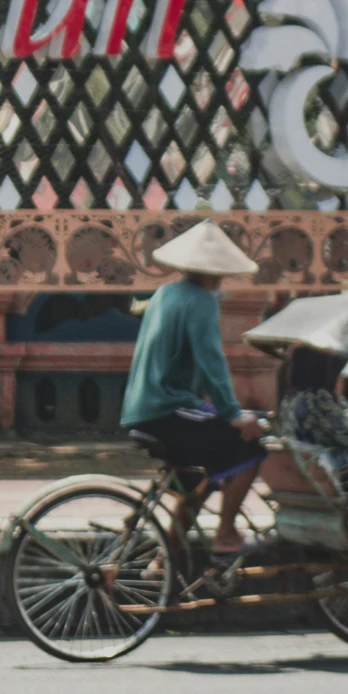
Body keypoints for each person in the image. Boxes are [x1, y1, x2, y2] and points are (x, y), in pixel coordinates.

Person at [120, 222, 267, 558]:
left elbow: (189, 363)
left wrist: (216, 411)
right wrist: (232, 414)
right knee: (250, 450)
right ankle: (226, 535)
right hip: (167, 408)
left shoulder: (166, 293)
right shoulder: (200, 300)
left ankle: (165, 561)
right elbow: (210, 362)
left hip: (144, 407)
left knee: (202, 478)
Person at [274, 347, 348, 481]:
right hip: (335, 475)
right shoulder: (317, 397)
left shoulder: (289, 398)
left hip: (307, 472)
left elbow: (331, 429)